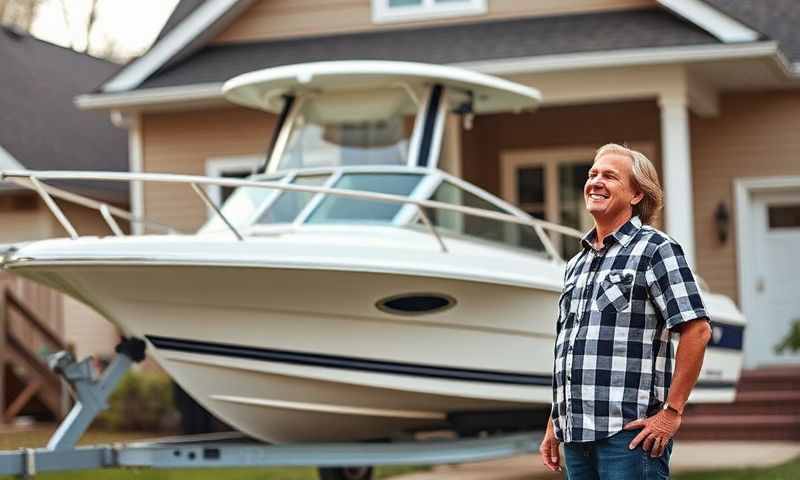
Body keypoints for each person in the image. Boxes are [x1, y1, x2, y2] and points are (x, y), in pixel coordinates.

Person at [539, 143, 712, 479]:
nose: (595, 182)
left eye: (609, 176)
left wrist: (671, 412)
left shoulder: (656, 249)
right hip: (576, 437)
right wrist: (554, 423)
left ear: (636, 195)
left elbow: (697, 329)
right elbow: (571, 348)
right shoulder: (576, 264)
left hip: (629, 437)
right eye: (592, 175)